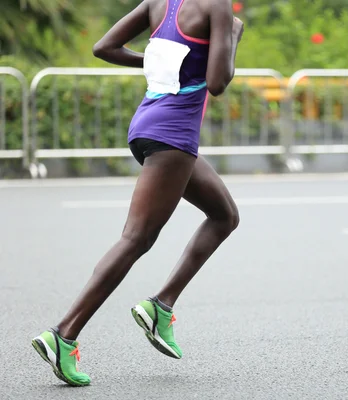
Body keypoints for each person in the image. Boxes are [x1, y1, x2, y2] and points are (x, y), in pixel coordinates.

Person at [31, 0, 244, 387]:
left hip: (148, 125)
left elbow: (103, 47)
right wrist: (231, 36)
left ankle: (160, 306)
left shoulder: (157, 3)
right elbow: (218, 82)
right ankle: (63, 335)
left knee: (224, 215)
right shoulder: (217, 7)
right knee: (136, 239)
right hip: (174, 135)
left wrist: (151, 62)